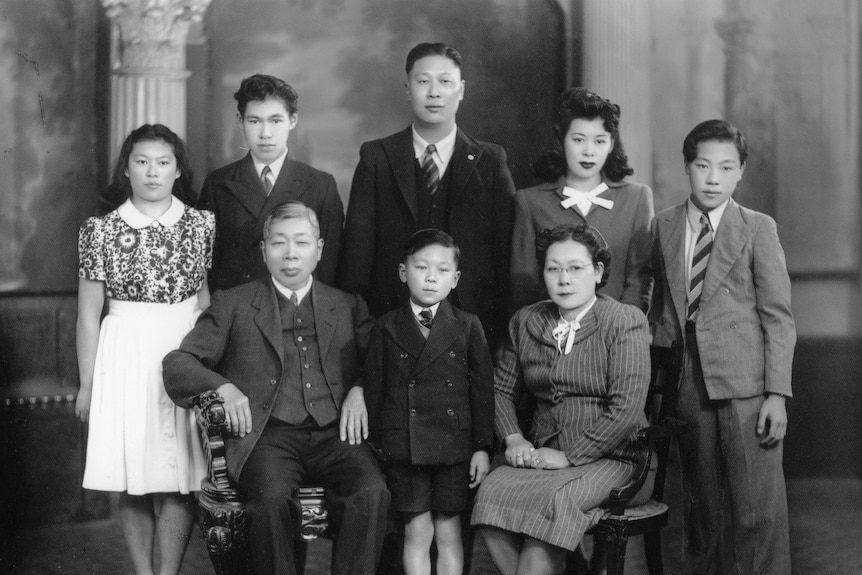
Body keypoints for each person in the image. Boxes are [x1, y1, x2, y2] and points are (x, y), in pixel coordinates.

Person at [162, 202, 389, 575]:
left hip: (335, 436)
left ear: (319, 248)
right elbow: (178, 364)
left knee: (372, 492)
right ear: (264, 250)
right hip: (266, 437)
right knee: (269, 500)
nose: (290, 253)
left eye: (301, 242)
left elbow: (383, 364)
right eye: (279, 243)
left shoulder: (347, 305)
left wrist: (361, 388)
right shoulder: (233, 304)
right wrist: (223, 388)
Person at [648, 119, 796, 574]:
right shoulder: (663, 226)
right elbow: (657, 309)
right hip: (687, 386)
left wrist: (777, 395)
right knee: (700, 513)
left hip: (748, 389)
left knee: (757, 514)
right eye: (703, 165)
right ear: (687, 167)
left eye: (725, 167)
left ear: (740, 172)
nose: (713, 178)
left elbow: (778, 317)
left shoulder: (757, 228)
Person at [471, 224, 650, 575]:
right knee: (490, 492)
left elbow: (626, 409)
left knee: (554, 503)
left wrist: (570, 456)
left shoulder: (624, 321)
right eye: (553, 269)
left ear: (597, 272)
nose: (563, 279)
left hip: (615, 457)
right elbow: (501, 390)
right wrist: (514, 437)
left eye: (575, 268)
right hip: (543, 452)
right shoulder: (527, 320)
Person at [75, 124, 214, 575]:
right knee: (133, 478)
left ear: (178, 171)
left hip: (182, 350)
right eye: (141, 161)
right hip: (124, 355)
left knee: (179, 479)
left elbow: (206, 301)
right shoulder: (100, 230)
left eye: (163, 162)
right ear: (127, 169)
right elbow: (88, 314)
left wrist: (206, 366)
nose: (152, 172)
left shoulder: (199, 224)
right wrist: (87, 384)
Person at [338, 42, 516, 348]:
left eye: (445, 82)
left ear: (461, 90)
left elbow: (506, 256)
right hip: (390, 328)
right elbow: (357, 259)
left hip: (472, 330)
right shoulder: (377, 157)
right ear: (408, 89)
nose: (434, 92)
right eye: (423, 81)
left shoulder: (491, 160)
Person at [364, 229, 495, 575]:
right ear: (404, 272)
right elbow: (375, 391)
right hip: (405, 448)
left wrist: (482, 446)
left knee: (450, 531)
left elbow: (482, 392)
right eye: (421, 267)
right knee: (416, 530)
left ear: (456, 279)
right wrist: (381, 444)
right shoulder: (386, 326)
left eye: (441, 269)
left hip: (454, 446)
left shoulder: (468, 326)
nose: (431, 277)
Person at [508, 87, 654, 315]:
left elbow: (640, 279)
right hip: (549, 336)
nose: (589, 151)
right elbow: (523, 285)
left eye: (599, 141)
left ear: (612, 144)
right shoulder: (530, 202)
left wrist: (622, 328)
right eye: (578, 140)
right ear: (561, 140)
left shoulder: (637, 198)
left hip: (619, 335)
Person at [200, 73, 343, 291]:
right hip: (235, 312)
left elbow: (329, 268)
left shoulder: (321, 185)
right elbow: (206, 264)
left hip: (297, 314)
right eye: (254, 121)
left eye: (276, 121)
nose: (265, 133)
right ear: (240, 121)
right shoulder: (218, 183)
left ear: (292, 121)